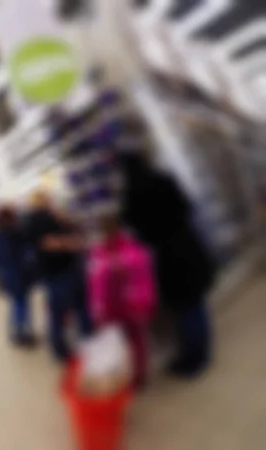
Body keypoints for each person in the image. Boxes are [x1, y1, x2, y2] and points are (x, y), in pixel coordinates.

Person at [119, 152, 215, 378]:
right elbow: (187, 206)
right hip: (189, 246)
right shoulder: (165, 179)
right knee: (196, 304)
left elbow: (134, 229)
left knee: (184, 309)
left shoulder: (131, 194)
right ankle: (203, 352)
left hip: (167, 257)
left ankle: (193, 360)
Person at [87, 214, 157, 388]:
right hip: (130, 305)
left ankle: (134, 376)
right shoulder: (133, 249)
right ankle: (134, 376)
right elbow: (144, 276)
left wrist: (97, 310)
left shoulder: (100, 254)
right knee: (134, 342)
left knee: (126, 341)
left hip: (120, 307)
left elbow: (96, 286)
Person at [24, 192, 93, 361]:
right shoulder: (41, 219)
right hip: (61, 271)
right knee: (76, 308)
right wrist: (75, 244)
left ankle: (60, 349)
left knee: (57, 312)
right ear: (43, 201)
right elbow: (48, 243)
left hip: (49, 272)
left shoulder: (31, 220)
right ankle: (84, 346)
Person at [0, 205, 36, 348]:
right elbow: (26, 254)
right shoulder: (17, 232)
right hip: (19, 272)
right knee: (22, 303)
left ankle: (16, 331)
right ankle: (22, 333)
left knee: (15, 303)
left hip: (7, 273)